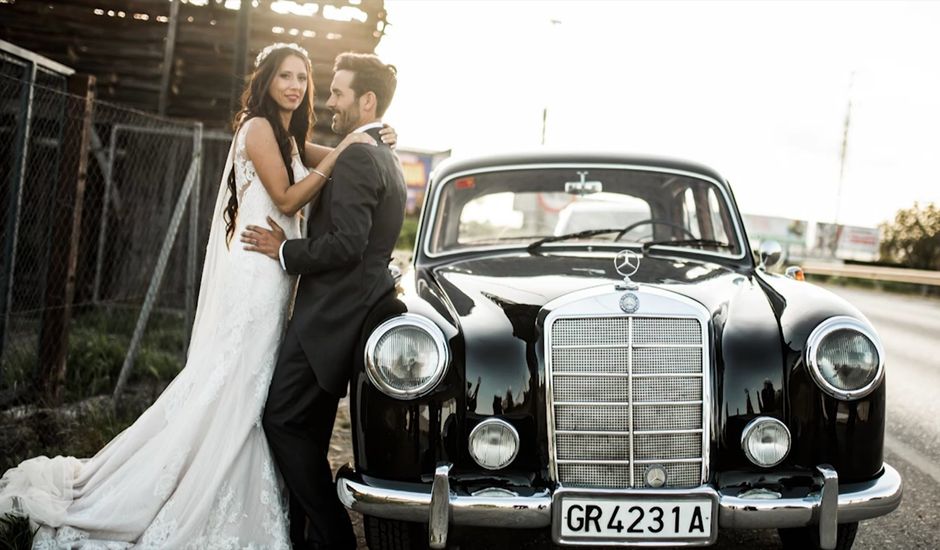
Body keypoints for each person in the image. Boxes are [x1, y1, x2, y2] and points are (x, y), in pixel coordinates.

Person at [0, 43, 396, 548]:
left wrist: (367, 139)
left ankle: (245, 487)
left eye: (303, 78)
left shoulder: (287, 137)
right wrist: (350, 147)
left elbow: (336, 165)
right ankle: (189, 484)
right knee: (232, 383)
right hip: (256, 273)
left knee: (253, 391)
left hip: (275, 278)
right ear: (267, 82)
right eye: (285, 77)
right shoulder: (256, 128)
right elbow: (289, 196)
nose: (296, 86)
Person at [241, 52, 406, 550]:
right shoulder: (379, 151)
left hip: (329, 318)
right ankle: (305, 536)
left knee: (282, 420)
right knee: (307, 430)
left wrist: (285, 249)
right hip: (342, 312)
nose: (329, 100)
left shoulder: (360, 154)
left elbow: (348, 244)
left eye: (338, 92)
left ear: (367, 100)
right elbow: (305, 157)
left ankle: (333, 535)